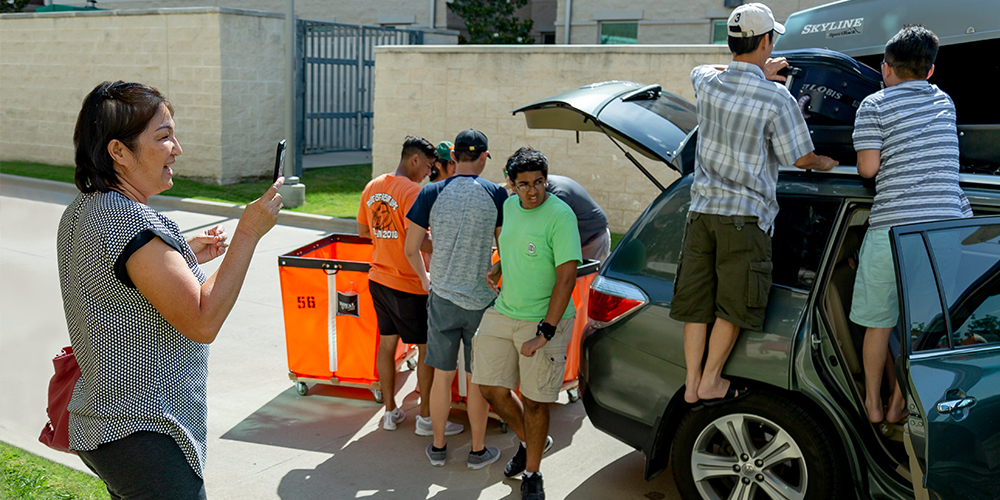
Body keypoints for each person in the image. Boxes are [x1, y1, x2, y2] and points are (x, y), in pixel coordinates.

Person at [57, 81, 283, 498]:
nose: (176, 148)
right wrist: (249, 232)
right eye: (163, 137)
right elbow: (202, 319)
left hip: (110, 424)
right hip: (146, 431)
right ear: (118, 152)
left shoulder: (85, 209)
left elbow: (117, 285)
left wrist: (184, 256)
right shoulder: (128, 221)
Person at [670, 2, 838, 405]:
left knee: (697, 302)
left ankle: (692, 382)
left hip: (702, 213)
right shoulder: (776, 99)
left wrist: (752, 70)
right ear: (766, 41)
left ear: (731, 42)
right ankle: (711, 380)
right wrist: (825, 161)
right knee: (734, 303)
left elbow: (704, 70)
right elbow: (801, 158)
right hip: (744, 219)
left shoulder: (706, 83)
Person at [850, 25, 972, 424]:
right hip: (943, 231)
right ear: (931, 71)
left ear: (886, 68)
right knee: (926, 326)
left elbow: (868, 168)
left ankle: (872, 403)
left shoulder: (874, 105)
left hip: (893, 227)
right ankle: (901, 403)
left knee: (877, 322)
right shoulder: (946, 102)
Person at [475, 147, 581, 500]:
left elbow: (566, 277)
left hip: (545, 319)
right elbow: (513, 243)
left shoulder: (560, 216)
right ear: (511, 184)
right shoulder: (507, 206)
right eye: (524, 184)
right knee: (489, 386)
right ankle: (529, 440)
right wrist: (501, 266)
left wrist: (545, 332)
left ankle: (533, 473)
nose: (533, 191)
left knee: (535, 401)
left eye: (539, 183)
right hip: (505, 310)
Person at [404, 129, 507, 469]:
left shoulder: (430, 192)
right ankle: (477, 451)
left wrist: (425, 278)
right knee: (477, 379)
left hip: (443, 297)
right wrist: (497, 271)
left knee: (442, 376)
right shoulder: (495, 194)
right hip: (481, 302)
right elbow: (505, 248)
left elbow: (411, 246)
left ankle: (437, 447)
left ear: (455, 157)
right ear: (482, 157)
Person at [356, 135, 463, 436]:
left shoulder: (372, 186)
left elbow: (363, 229)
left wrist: (386, 238)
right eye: (429, 166)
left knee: (387, 344)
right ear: (415, 160)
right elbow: (421, 242)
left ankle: (390, 411)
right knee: (428, 350)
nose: (430, 173)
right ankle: (426, 419)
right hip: (409, 283)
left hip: (378, 279)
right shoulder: (413, 191)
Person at [545, 174, 610, 262]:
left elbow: (553, 234)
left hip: (593, 239)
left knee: (588, 274)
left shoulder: (559, 195)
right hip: (578, 239)